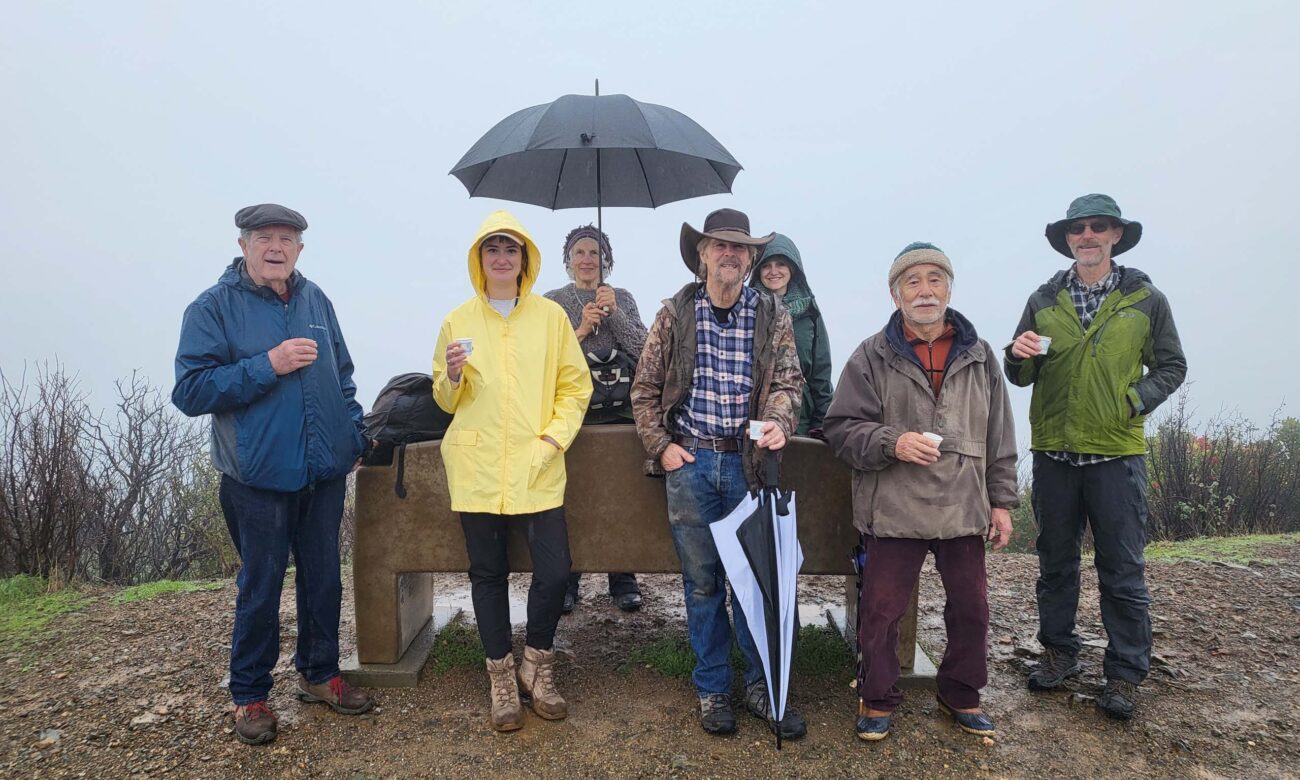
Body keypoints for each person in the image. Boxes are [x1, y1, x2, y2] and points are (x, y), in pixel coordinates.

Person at [172, 204, 373, 746]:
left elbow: (342, 375)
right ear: (243, 245)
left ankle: (319, 674)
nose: (276, 248)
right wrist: (269, 364)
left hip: (323, 474)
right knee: (261, 587)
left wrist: (352, 436)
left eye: (287, 239)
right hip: (256, 478)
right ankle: (250, 694)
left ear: (300, 249)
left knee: (323, 579)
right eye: (264, 238)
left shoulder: (315, 299)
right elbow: (190, 391)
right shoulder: (212, 307)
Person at [824, 242, 1018, 742]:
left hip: (964, 505)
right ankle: (877, 697)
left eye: (935, 279)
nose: (925, 290)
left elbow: (999, 436)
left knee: (972, 609)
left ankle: (961, 693)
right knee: (881, 610)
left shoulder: (980, 356)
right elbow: (840, 428)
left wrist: (1001, 501)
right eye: (912, 282)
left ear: (949, 289)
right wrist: (893, 441)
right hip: (893, 505)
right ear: (896, 295)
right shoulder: (870, 355)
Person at [1004, 194, 1186, 720]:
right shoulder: (1043, 299)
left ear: (1115, 235)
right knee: (1055, 564)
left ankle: (1125, 674)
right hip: (1054, 454)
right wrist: (1014, 355)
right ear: (1067, 239)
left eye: (1098, 227)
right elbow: (1020, 372)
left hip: (1115, 455)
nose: (1087, 235)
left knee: (1122, 569)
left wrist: (1134, 400)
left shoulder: (1146, 299)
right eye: (1077, 228)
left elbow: (1172, 366)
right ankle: (1059, 654)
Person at [630, 208, 807, 739]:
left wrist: (778, 421)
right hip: (691, 467)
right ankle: (713, 688)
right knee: (703, 584)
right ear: (702, 254)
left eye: (740, 247)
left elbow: (789, 382)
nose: (730, 254)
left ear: (750, 259)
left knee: (755, 581)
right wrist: (661, 447)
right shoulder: (674, 313)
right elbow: (644, 390)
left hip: (750, 466)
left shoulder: (772, 313)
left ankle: (761, 686)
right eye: (719, 245)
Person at [433, 210, 593, 733]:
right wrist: (451, 375)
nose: (502, 258)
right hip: (477, 466)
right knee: (487, 574)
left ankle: (537, 665)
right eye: (492, 249)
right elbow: (444, 398)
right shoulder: (458, 320)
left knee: (555, 570)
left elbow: (576, 387)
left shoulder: (551, 318)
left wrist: (552, 439)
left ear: (525, 259)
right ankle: (500, 677)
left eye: (511, 249)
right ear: (478, 258)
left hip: (536, 463)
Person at [544, 225, 648, 613]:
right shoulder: (553, 302)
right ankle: (569, 578)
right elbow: (545, 358)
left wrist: (614, 313)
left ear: (607, 261)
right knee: (572, 496)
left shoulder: (622, 297)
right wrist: (581, 330)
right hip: (573, 413)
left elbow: (644, 349)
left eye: (595, 253)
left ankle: (623, 577)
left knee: (621, 494)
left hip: (620, 412)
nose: (587, 259)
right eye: (580, 252)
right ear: (568, 260)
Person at [748, 234, 834, 436]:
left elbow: (821, 373)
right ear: (757, 270)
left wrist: (822, 423)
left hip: (800, 420)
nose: (773, 271)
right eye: (766, 265)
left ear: (793, 268)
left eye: (781, 264)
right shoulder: (745, 309)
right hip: (754, 417)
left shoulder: (810, 313)